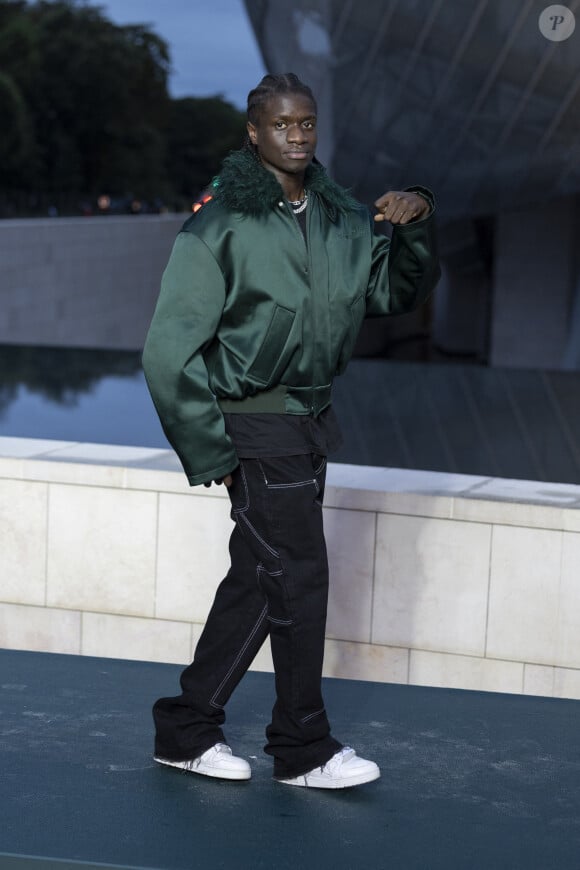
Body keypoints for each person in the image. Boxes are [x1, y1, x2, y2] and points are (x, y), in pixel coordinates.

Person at [142, 72, 440, 789]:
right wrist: (209, 445)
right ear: (254, 133)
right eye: (282, 125)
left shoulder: (339, 220)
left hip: (309, 421)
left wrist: (415, 221)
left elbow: (391, 293)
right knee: (300, 578)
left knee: (259, 577)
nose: (297, 135)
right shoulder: (220, 226)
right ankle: (302, 748)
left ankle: (185, 728)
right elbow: (167, 350)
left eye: (306, 123)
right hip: (252, 422)